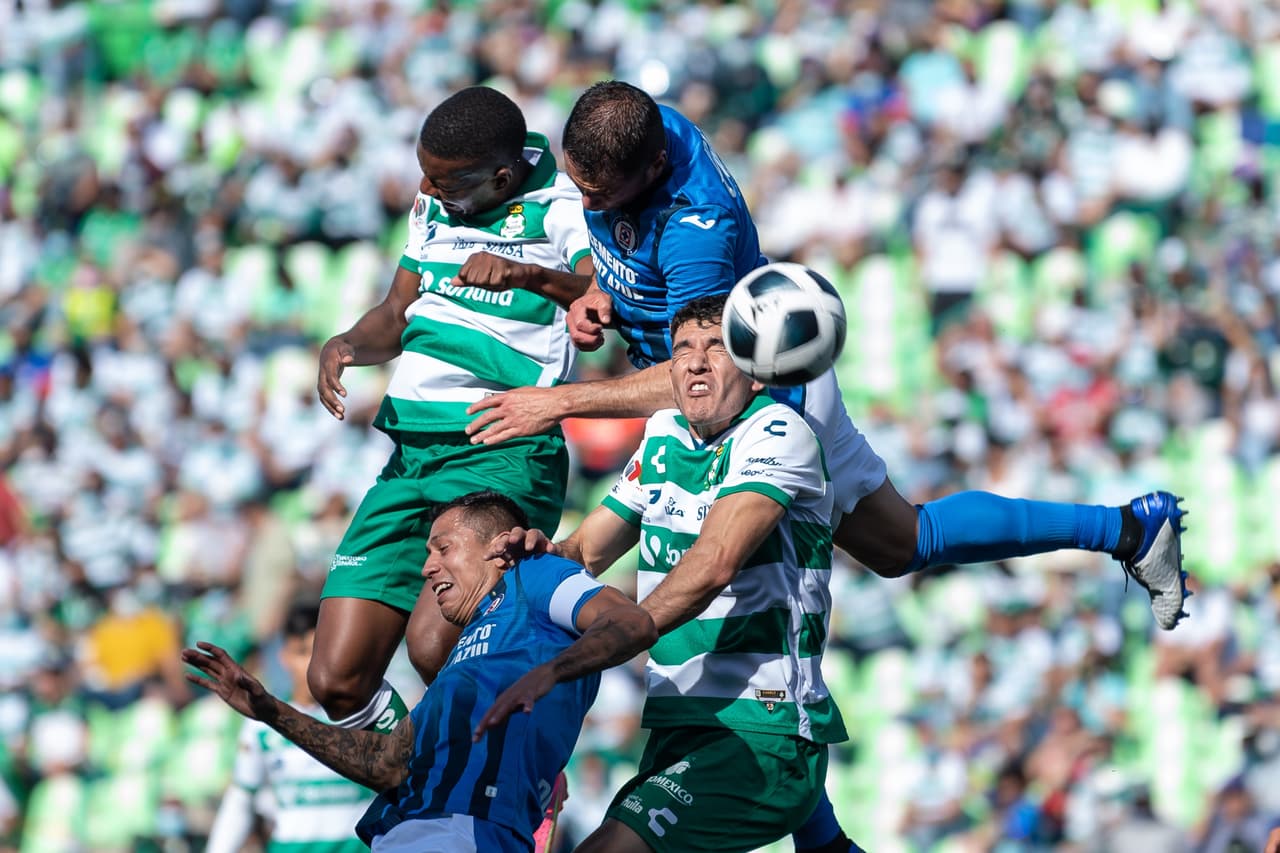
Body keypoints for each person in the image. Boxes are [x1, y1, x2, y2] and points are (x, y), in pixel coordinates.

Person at [465, 80, 1188, 853]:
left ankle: (1122, 530)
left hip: (760, 399)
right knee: (903, 543)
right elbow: (635, 292)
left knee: (732, 581)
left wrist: (559, 402)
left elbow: (700, 372)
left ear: (649, 171)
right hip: (723, 394)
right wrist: (562, 287)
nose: (584, 201)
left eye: (596, 191)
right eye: (579, 183)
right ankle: (1125, 527)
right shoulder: (631, 130)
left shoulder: (697, 234)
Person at [484, 297, 865, 852]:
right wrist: (542, 552)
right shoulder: (663, 432)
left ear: (756, 373)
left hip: (763, 729)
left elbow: (713, 566)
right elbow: (586, 551)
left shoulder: (779, 432)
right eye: (682, 349)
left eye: (716, 348)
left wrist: (580, 657)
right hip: (675, 724)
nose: (695, 362)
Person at [308, 86, 594, 738]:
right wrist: (346, 343)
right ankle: (416, 777)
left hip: (499, 446)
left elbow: (601, 292)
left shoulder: (560, 205)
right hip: (411, 454)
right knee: (336, 681)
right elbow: (395, 312)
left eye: (445, 181)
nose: (427, 189)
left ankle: (520, 770)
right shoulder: (432, 205)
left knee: (434, 646)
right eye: (425, 174)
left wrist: (524, 275)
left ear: (502, 178)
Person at [185, 492, 657, 853]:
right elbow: (388, 764)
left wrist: (550, 672)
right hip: (405, 833)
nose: (428, 568)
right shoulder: (463, 654)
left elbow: (631, 622)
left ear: (497, 548)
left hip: (466, 830)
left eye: (443, 548)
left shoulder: (533, 577)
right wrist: (270, 710)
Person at [206, 600, 375, 853]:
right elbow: (240, 800)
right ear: (284, 657)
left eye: (322, 652)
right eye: (303, 652)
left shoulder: (368, 716)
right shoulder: (262, 725)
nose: (313, 664)